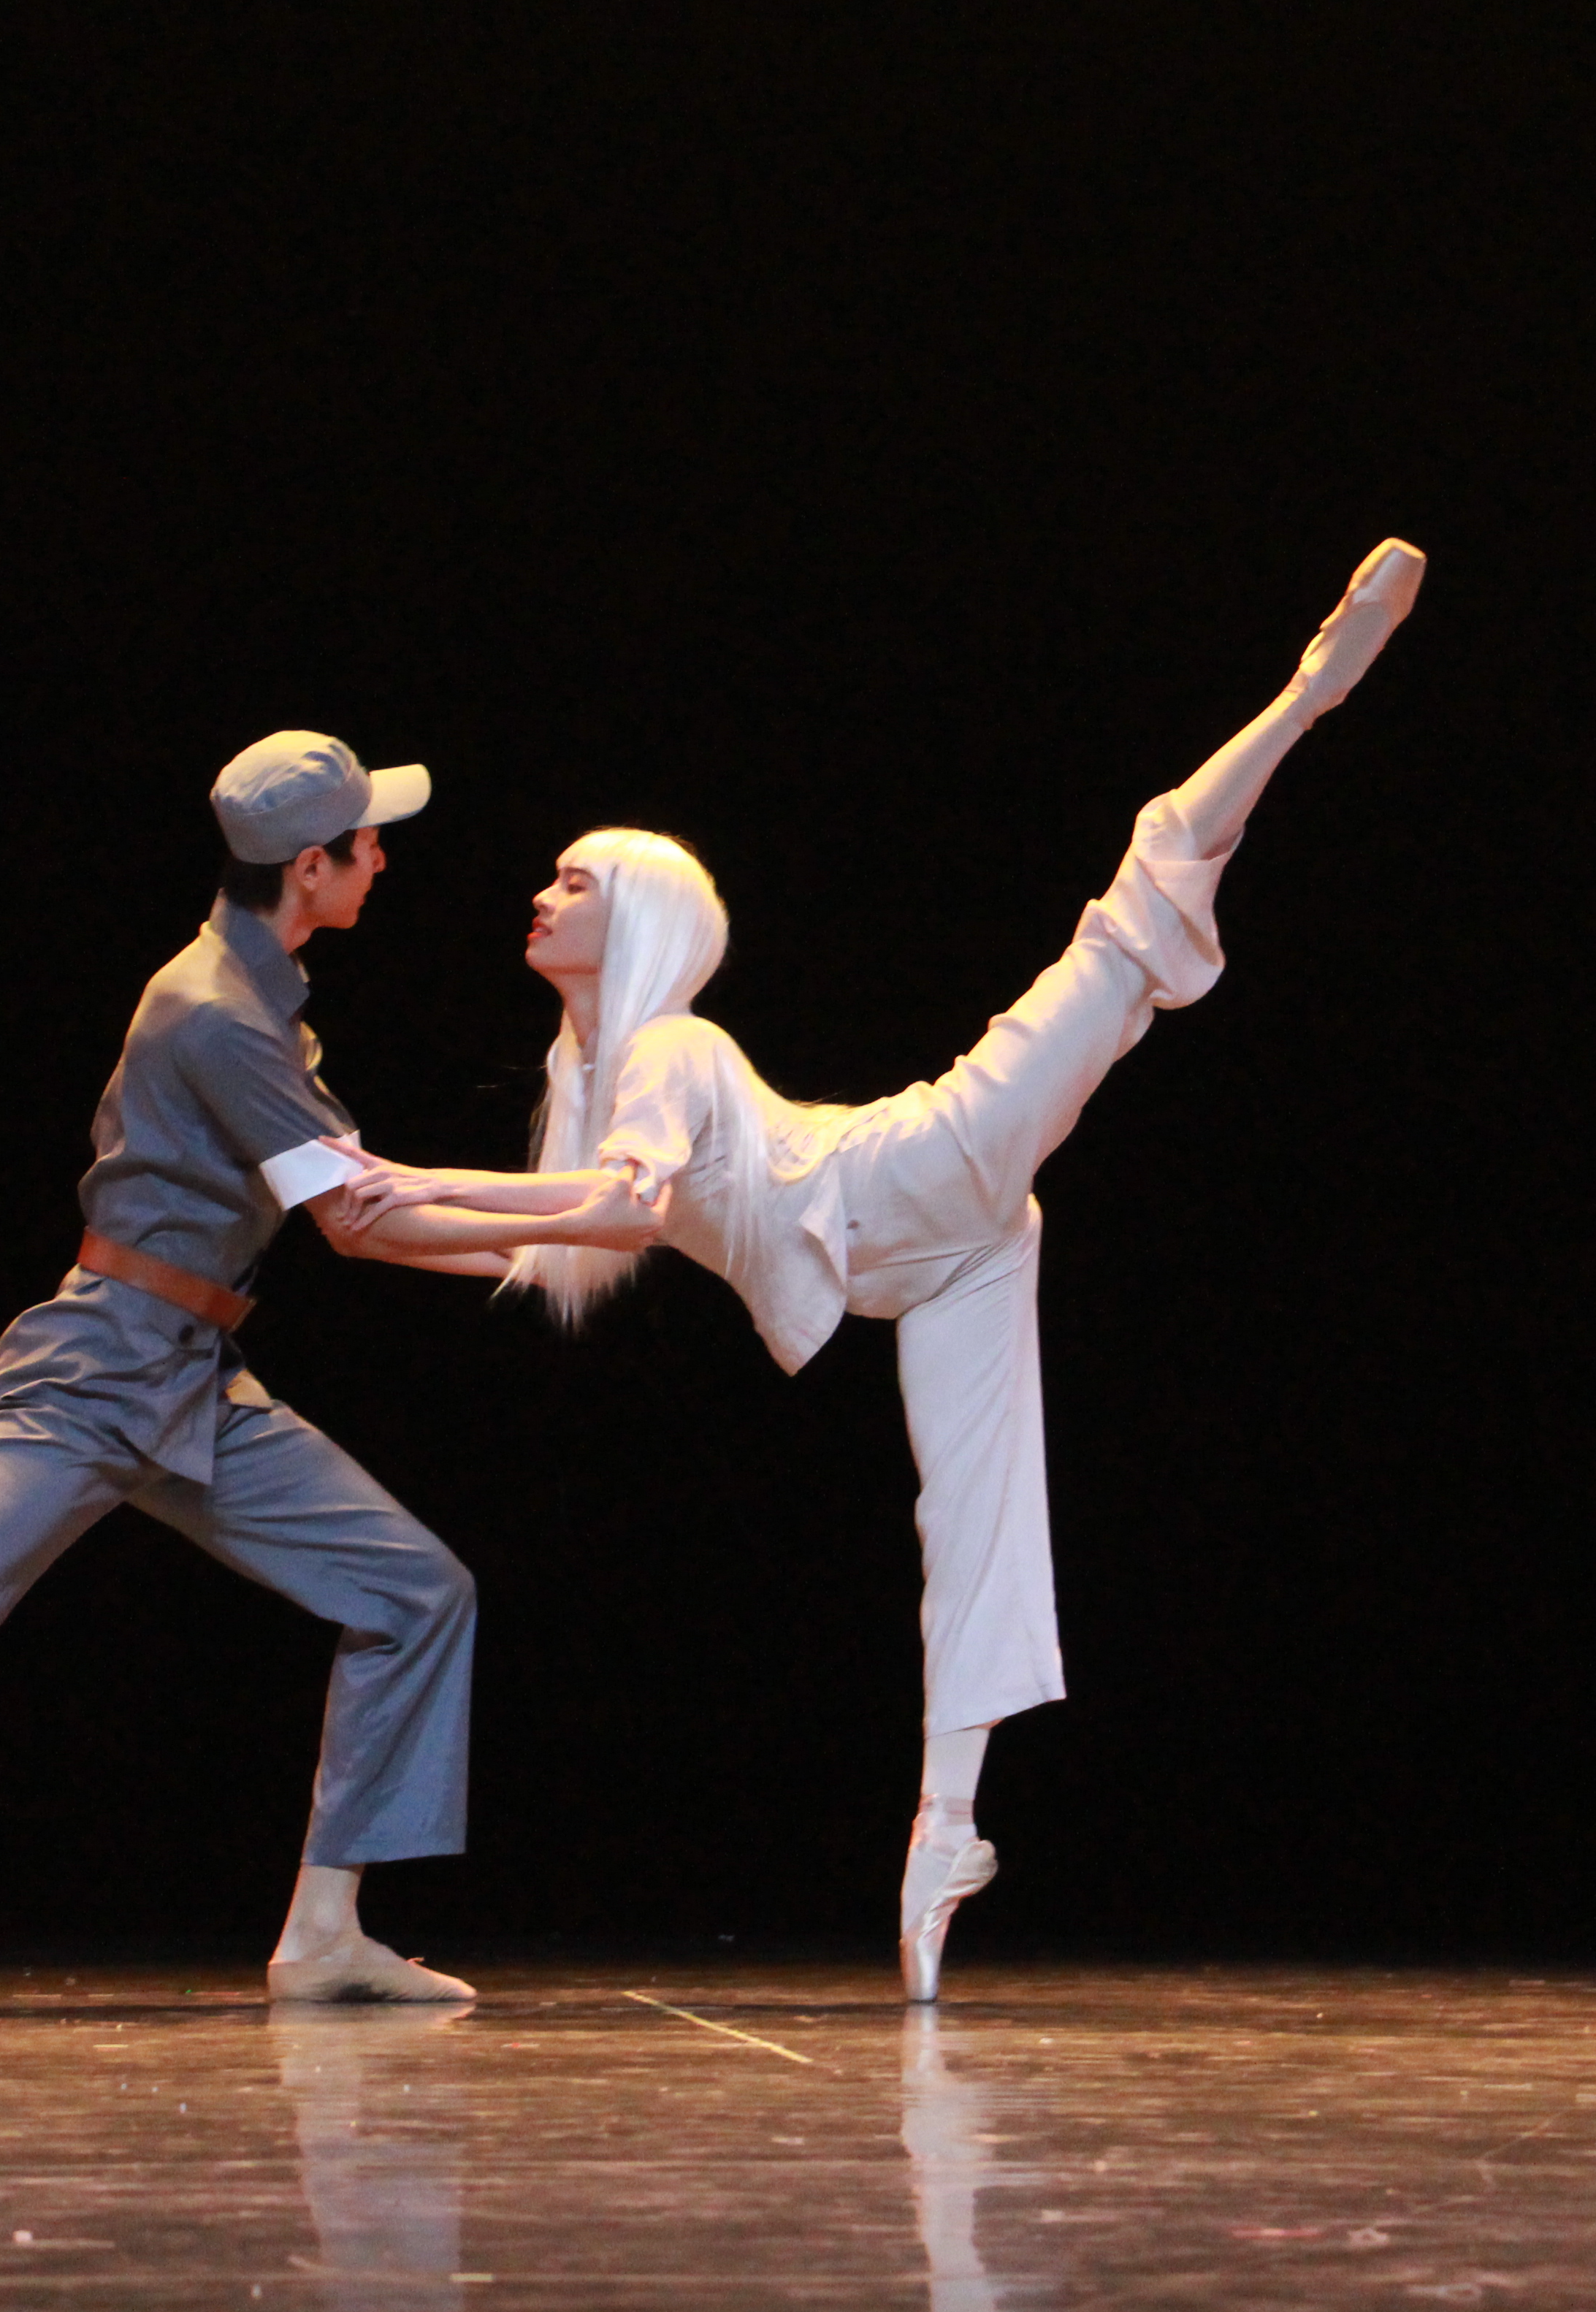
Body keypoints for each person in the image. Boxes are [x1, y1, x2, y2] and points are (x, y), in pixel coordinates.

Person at [322, 541, 1429, 1999]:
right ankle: (948, 1831)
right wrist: (365, 1223)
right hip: (930, 1262)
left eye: (573, 881)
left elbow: (616, 1209)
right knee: (966, 1523)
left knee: (1124, 923)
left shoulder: (669, 1050)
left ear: (632, 921)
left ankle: (1306, 693)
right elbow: (548, 1240)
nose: (542, 893)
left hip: (923, 1167)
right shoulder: (596, 1088)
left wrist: (411, 1180)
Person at [0, 732, 662, 2022]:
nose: (383, 859)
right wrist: (586, 1226)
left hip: (196, 1379)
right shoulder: (214, 1011)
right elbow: (359, 1220)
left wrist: (564, 1248)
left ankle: (325, 1934)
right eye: (369, 842)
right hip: (94, 1374)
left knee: (415, 1590)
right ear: (309, 867)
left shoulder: (263, 1002)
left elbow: (365, 1210)